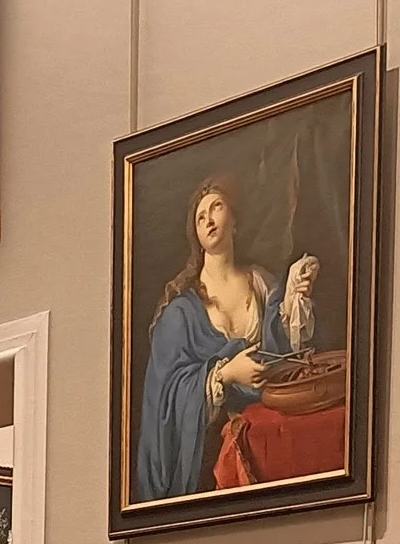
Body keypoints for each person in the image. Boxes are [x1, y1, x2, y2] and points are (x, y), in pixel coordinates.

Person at [133, 177, 323, 503]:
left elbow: (288, 354)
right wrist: (224, 375)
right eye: (200, 217)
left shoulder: (261, 283)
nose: (208, 219)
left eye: (216, 207)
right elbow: (163, 397)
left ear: (234, 220)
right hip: (206, 457)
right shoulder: (179, 313)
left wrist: (296, 294)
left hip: (266, 439)